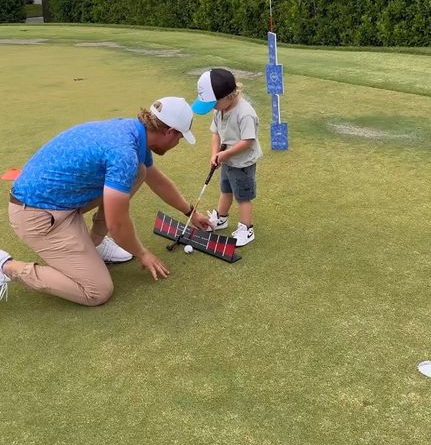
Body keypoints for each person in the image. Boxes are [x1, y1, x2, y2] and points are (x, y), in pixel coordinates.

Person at [0, 97, 210, 306]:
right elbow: (117, 223)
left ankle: (94, 244)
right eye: (180, 138)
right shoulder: (124, 152)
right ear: (169, 131)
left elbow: (158, 182)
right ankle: (6, 266)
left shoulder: (133, 131)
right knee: (97, 291)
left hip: (62, 201)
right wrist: (142, 253)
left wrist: (190, 213)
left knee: (140, 171)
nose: (177, 143)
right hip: (35, 215)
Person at [192, 68, 262, 247]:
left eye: (213, 103)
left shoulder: (245, 113)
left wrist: (225, 154)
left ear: (228, 96)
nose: (212, 108)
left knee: (242, 196)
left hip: (242, 163)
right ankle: (221, 218)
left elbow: (248, 141)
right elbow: (215, 134)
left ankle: (247, 228)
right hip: (227, 160)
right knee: (226, 190)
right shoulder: (219, 110)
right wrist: (215, 153)